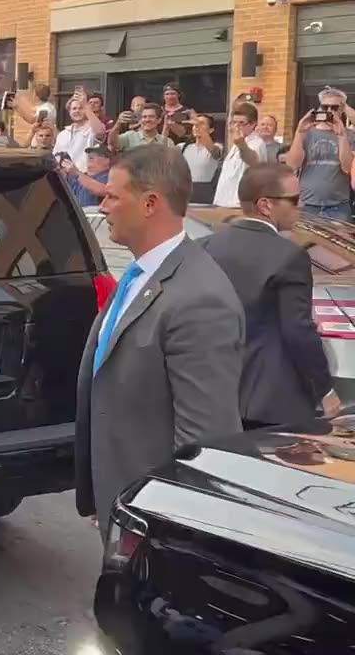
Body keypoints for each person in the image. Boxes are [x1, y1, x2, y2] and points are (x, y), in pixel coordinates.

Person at [75, 144, 244, 540]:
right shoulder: (140, 276)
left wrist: (171, 534)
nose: (103, 207)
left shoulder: (200, 298)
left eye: (113, 197)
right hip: (124, 503)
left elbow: (205, 442)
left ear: (150, 202)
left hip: (158, 523)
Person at [203, 163, 339, 427]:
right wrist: (325, 389)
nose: (300, 207)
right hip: (272, 403)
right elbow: (298, 330)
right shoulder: (290, 256)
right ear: (265, 205)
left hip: (214, 396)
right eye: (294, 200)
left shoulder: (206, 247)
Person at [285, 87, 355, 220]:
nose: (329, 111)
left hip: (338, 205)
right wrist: (299, 134)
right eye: (325, 106)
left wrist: (341, 136)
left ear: (342, 109)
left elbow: (347, 168)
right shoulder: (307, 132)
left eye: (334, 107)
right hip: (307, 204)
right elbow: (292, 165)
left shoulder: (349, 134)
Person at [212, 102, 268, 208]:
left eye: (242, 123)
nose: (237, 127)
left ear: (253, 124)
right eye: (234, 122)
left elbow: (252, 160)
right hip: (223, 201)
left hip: (238, 204)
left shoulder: (257, 143)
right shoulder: (236, 144)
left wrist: (241, 145)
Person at [52, 91, 106, 173]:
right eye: (74, 108)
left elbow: (100, 132)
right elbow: (56, 156)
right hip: (64, 177)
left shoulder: (92, 129)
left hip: (84, 176)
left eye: (81, 108)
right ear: (69, 112)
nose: (77, 111)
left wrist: (85, 105)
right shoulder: (63, 134)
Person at [181, 113, 222, 202]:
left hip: (205, 190)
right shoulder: (184, 147)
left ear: (211, 130)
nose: (196, 126)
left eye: (201, 124)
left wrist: (202, 130)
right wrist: (166, 127)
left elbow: (215, 152)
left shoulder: (217, 146)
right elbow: (162, 152)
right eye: (195, 124)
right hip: (186, 189)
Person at [109, 102, 174, 152]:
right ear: (140, 120)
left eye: (151, 117)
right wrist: (118, 124)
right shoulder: (129, 136)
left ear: (159, 120)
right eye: (144, 117)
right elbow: (112, 144)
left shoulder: (168, 141)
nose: (147, 120)